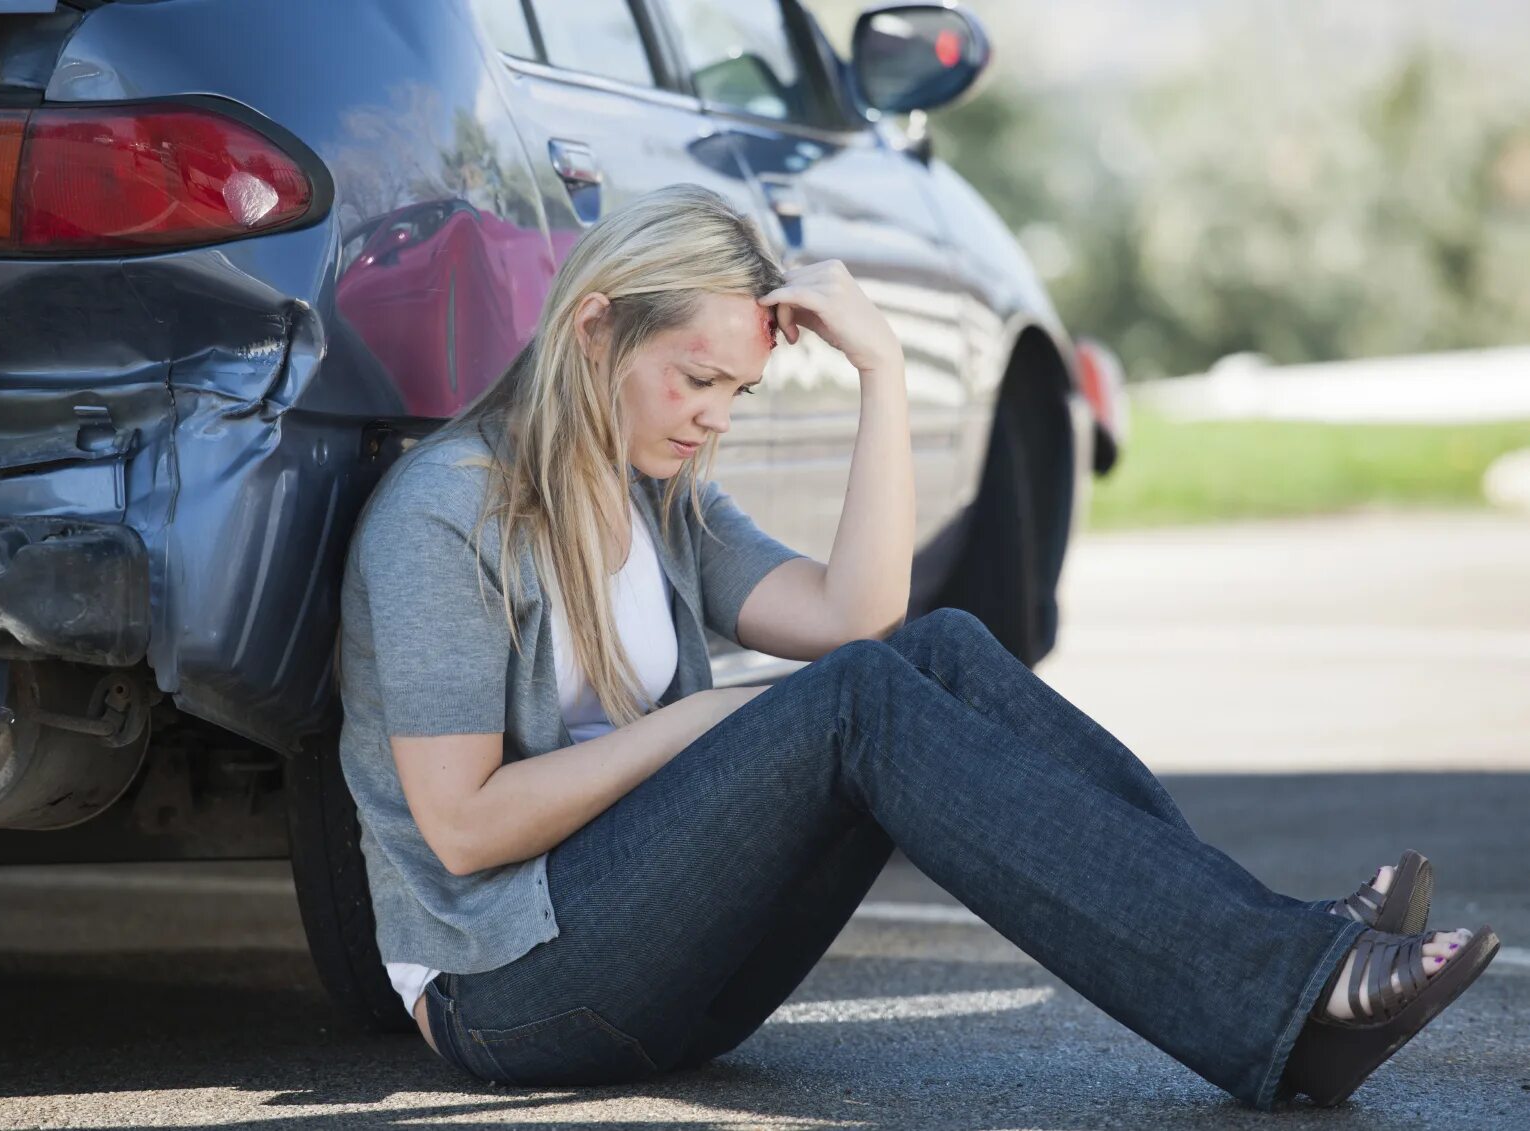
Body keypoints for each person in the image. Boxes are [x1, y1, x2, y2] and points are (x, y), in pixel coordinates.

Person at [335, 184, 1499, 1110]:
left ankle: (1275, 956)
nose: (713, 419)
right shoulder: (448, 516)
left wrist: (883, 370)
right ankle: (1286, 984)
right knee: (855, 703)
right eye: (696, 379)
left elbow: (861, 619)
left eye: (736, 391)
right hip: (507, 990)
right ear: (595, 330)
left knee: (932, 649)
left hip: (662, 974)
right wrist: (700, 721)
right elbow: (465, 824)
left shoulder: (659, 498)